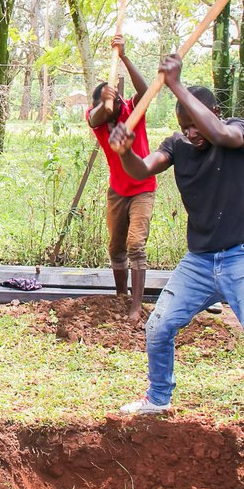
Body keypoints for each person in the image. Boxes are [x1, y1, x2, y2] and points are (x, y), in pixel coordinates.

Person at [109, 53, 244, 462]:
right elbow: (141, 170)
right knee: (158, 327)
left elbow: (219, 134)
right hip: (199, 262)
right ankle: (158, 399)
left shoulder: (237, 133)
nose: (192, 133)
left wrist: (176, 84)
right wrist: (124, 150)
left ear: (214, 112)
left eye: (196, 124)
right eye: (184, 127)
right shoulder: (177, 145)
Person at [87, 36, 156, 322]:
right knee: (116, 247)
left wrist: (125, 57)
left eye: (114, 100)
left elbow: (147, 90)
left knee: (135, 245)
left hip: (142, 189)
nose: (113, 105)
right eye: (107, 102)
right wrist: (104, 102)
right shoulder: (99, 122)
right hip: (118, 191)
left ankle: (137, 306)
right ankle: (120, 298)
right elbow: (93, 116)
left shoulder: (132, 111)